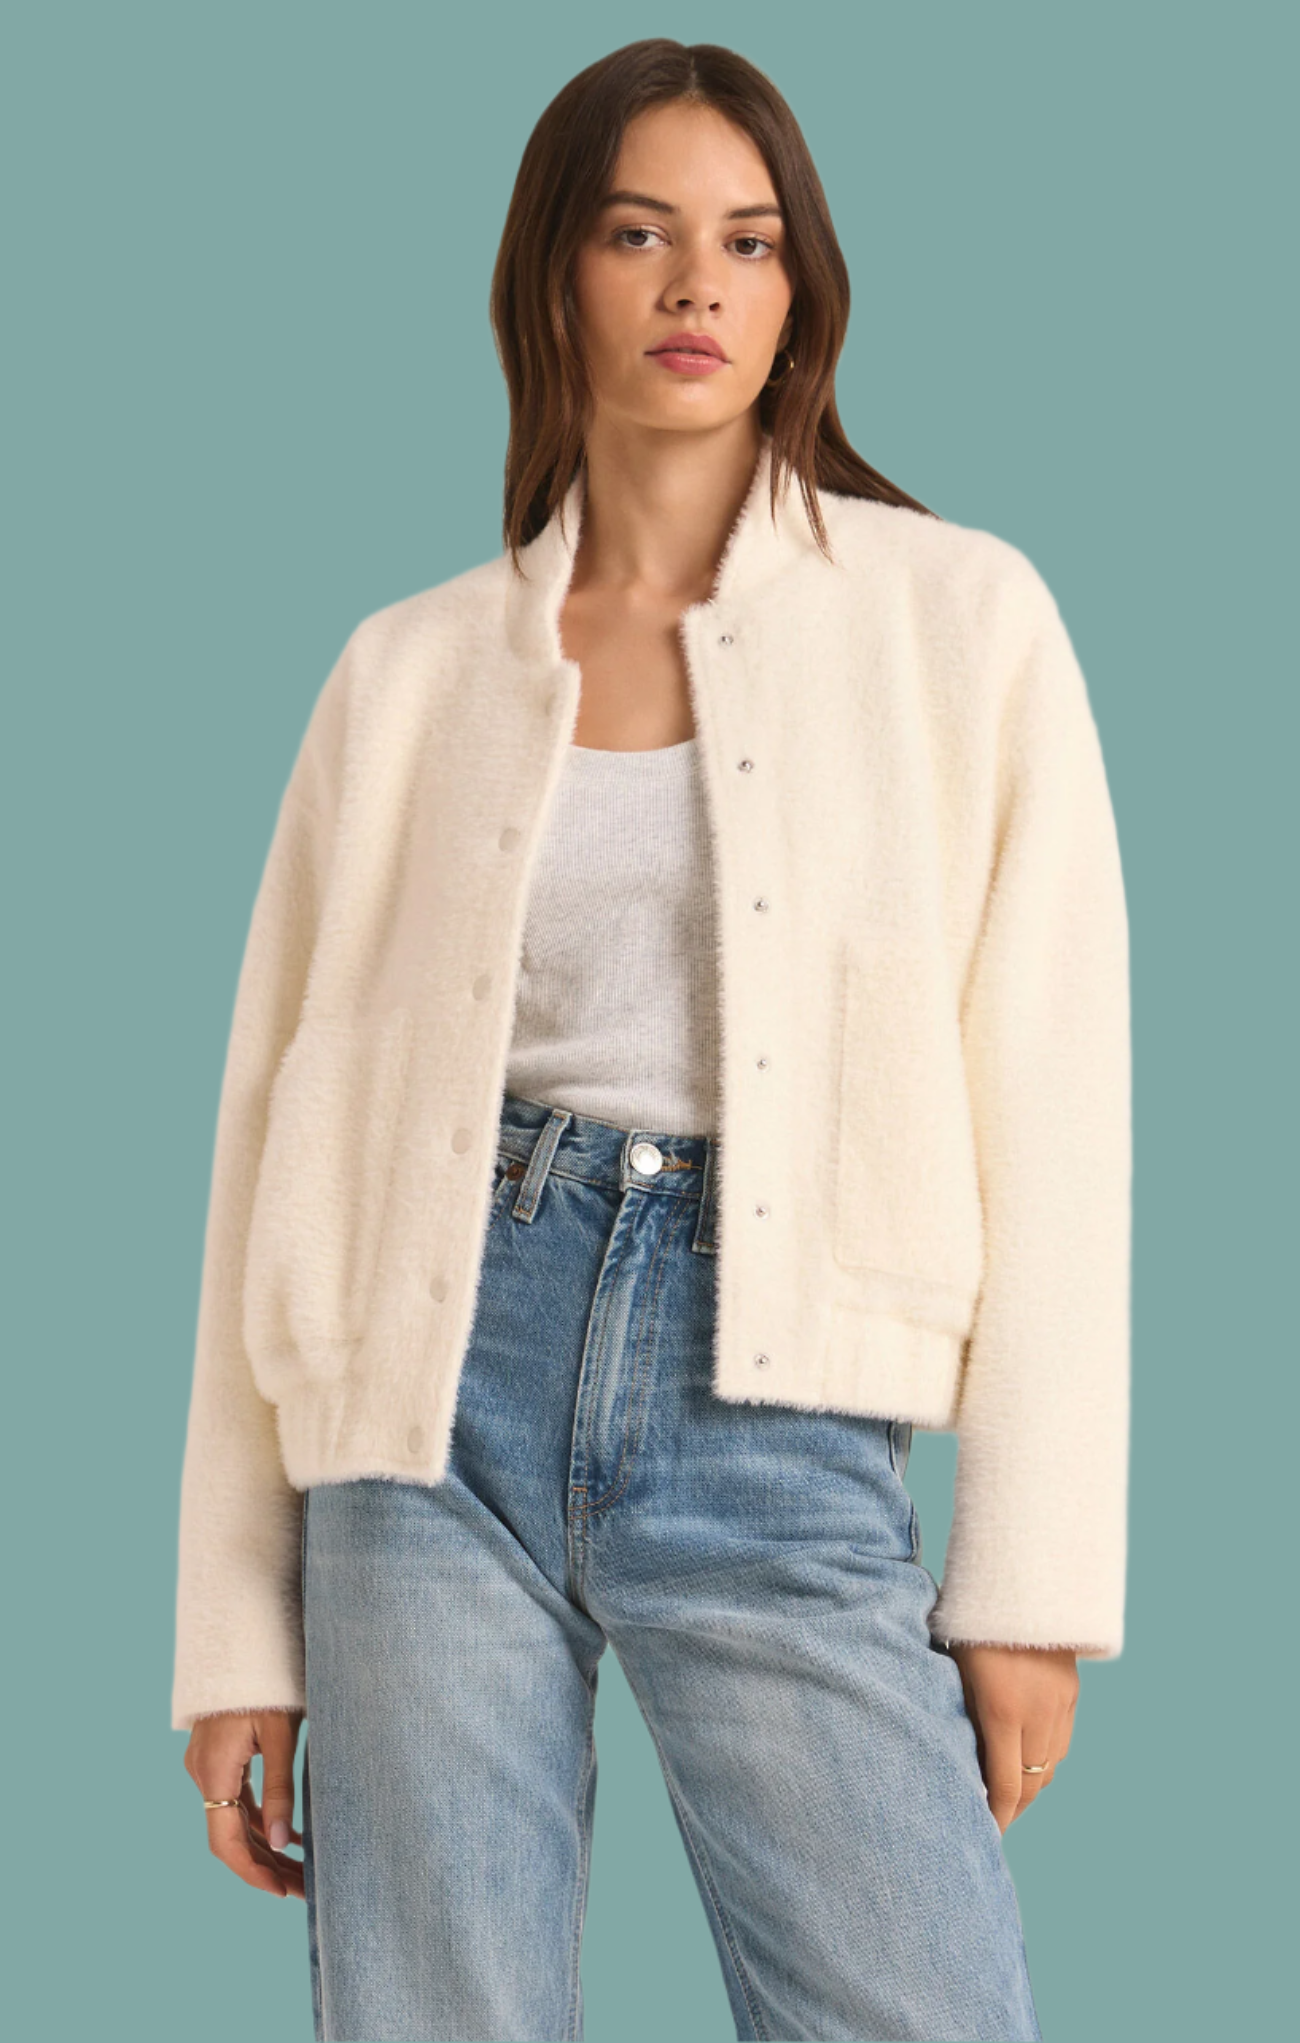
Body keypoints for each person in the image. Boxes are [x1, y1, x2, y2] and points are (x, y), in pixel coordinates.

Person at [173, 38, 1130, 2043]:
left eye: (748, 241)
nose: (697, 282)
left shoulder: (959, 622)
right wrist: (235, 1623)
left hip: (776, 1407)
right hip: (423, 1403)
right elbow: (274, 1139)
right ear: (553, 277)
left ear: (798, 294)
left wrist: (1029, 1582)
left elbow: (1054, 1100)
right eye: (638, 233)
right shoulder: (403, 674)